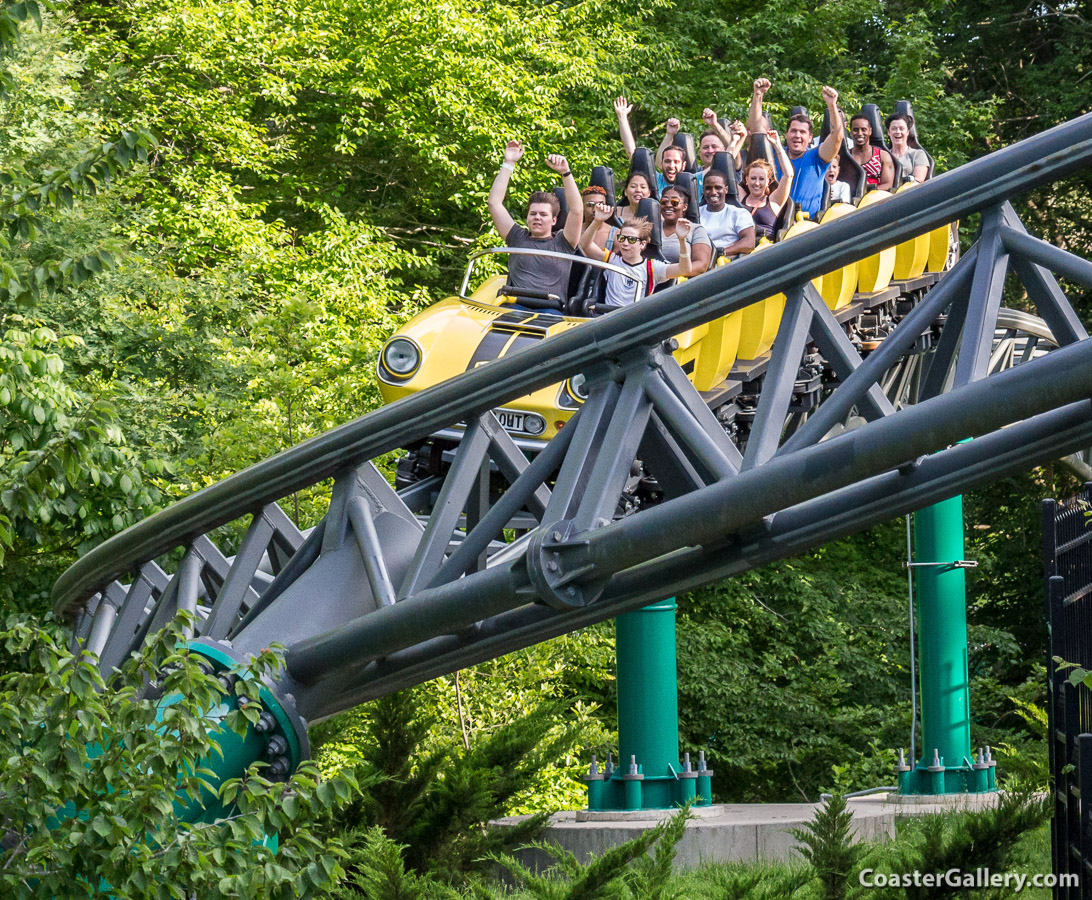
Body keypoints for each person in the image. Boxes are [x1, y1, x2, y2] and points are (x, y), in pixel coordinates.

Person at [487, 140, 583, 307]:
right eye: (533, 214)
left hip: (550, 309)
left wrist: (565, 173)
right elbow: (494, 203)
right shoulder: (517, 237)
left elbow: (577, 210)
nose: (537, 217)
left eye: (543, 214)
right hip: (515, 304)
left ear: (554, 220)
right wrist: (508, 163)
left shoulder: (564, 242)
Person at [746, 80, 844, 220]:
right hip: (773, 222)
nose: (797, 135)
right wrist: (758, 95)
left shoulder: (818, 157)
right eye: (793, 131)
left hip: (806, 224)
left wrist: (832, 105)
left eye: (802, 132)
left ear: (810, 137)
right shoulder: (775, 153)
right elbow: (755, 131)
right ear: (786, 135)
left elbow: (837, 137)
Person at [580, 203, 694, 309]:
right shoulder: (611, 260)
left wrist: (682, 240)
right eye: (622, 238)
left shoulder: (652, 267)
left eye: (632, 240)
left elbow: (684, 269)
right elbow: (585, 245)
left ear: (643, 244)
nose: (625, 243)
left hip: (634, 321)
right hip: (608, 317)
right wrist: (597, 221)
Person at [740, 130, 793, 242]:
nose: (757, 183)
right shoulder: (740, 198)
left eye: (761, 179)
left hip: (764, 249)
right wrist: (739, 140)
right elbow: (725, 173)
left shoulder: (774, 201)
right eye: (753, 178)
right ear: (746, 180)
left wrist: (777, 145)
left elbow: (788, 175)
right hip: (740, 247)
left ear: (768, 181)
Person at [699, 171, 755, 258]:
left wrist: (721, 252)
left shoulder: (739, 214)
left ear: (726, 190)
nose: (713, 192)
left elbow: (749, 242)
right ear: (703, 190)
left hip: (727, 263)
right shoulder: (696, 214)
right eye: (708, 188)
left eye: (718, 188)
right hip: (698, 261)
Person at [659, 186, 712, 273]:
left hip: (680, 281)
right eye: (664, 202)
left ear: (685, 207)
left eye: (674, 202)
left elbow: (701, 266)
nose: (668, 205)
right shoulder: (652, 228)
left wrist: (668, 273)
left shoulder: (696, 230)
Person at [848, 114, 895, 191]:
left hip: (875, 198)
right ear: (851, 132)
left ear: (870, 131)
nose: (859, 133)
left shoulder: (883, 156)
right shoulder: (846, 157)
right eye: (855, 130)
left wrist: (867, 192)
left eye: (863, 129)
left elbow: (888, 185)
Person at [886, 113, 930, 184]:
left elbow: (918, 180)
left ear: (907, 132)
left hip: (908, 192)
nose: (898, 132)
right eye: (894, 129)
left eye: (901, 129)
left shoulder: (918, 154)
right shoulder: (883, 156)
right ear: (888, 132)